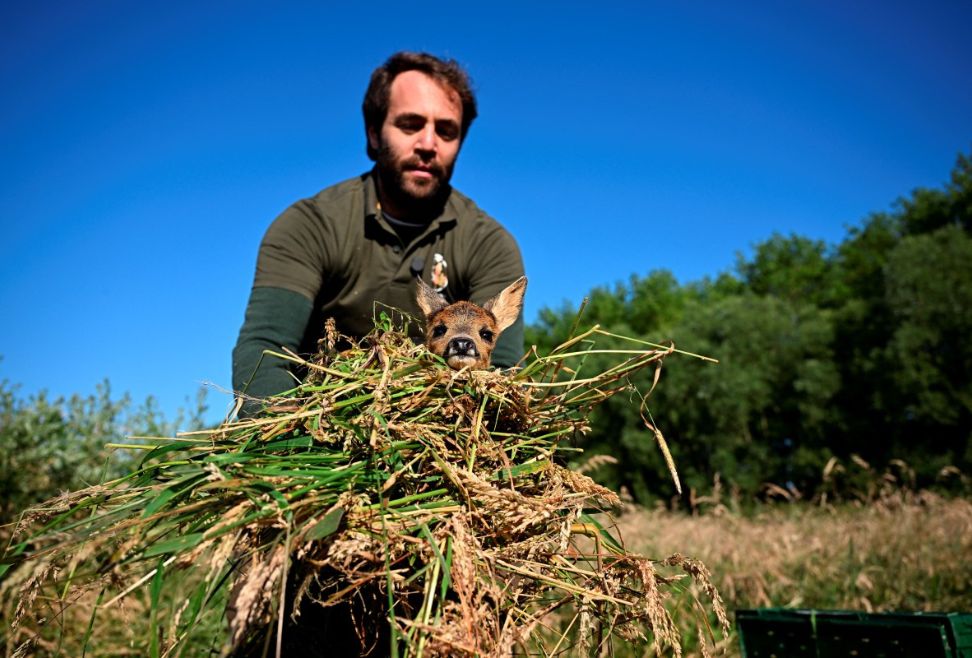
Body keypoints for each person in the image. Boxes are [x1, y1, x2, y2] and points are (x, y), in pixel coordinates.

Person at [232, 51, 525, 412]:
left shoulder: (489, 244)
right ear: (373, 133)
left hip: (441, 423)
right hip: (316, 416)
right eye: (410, 124)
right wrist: (282, 444)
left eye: (446, 131)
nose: (428, 144)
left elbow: (498, 372)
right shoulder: (311, 225)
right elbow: (266, 349)